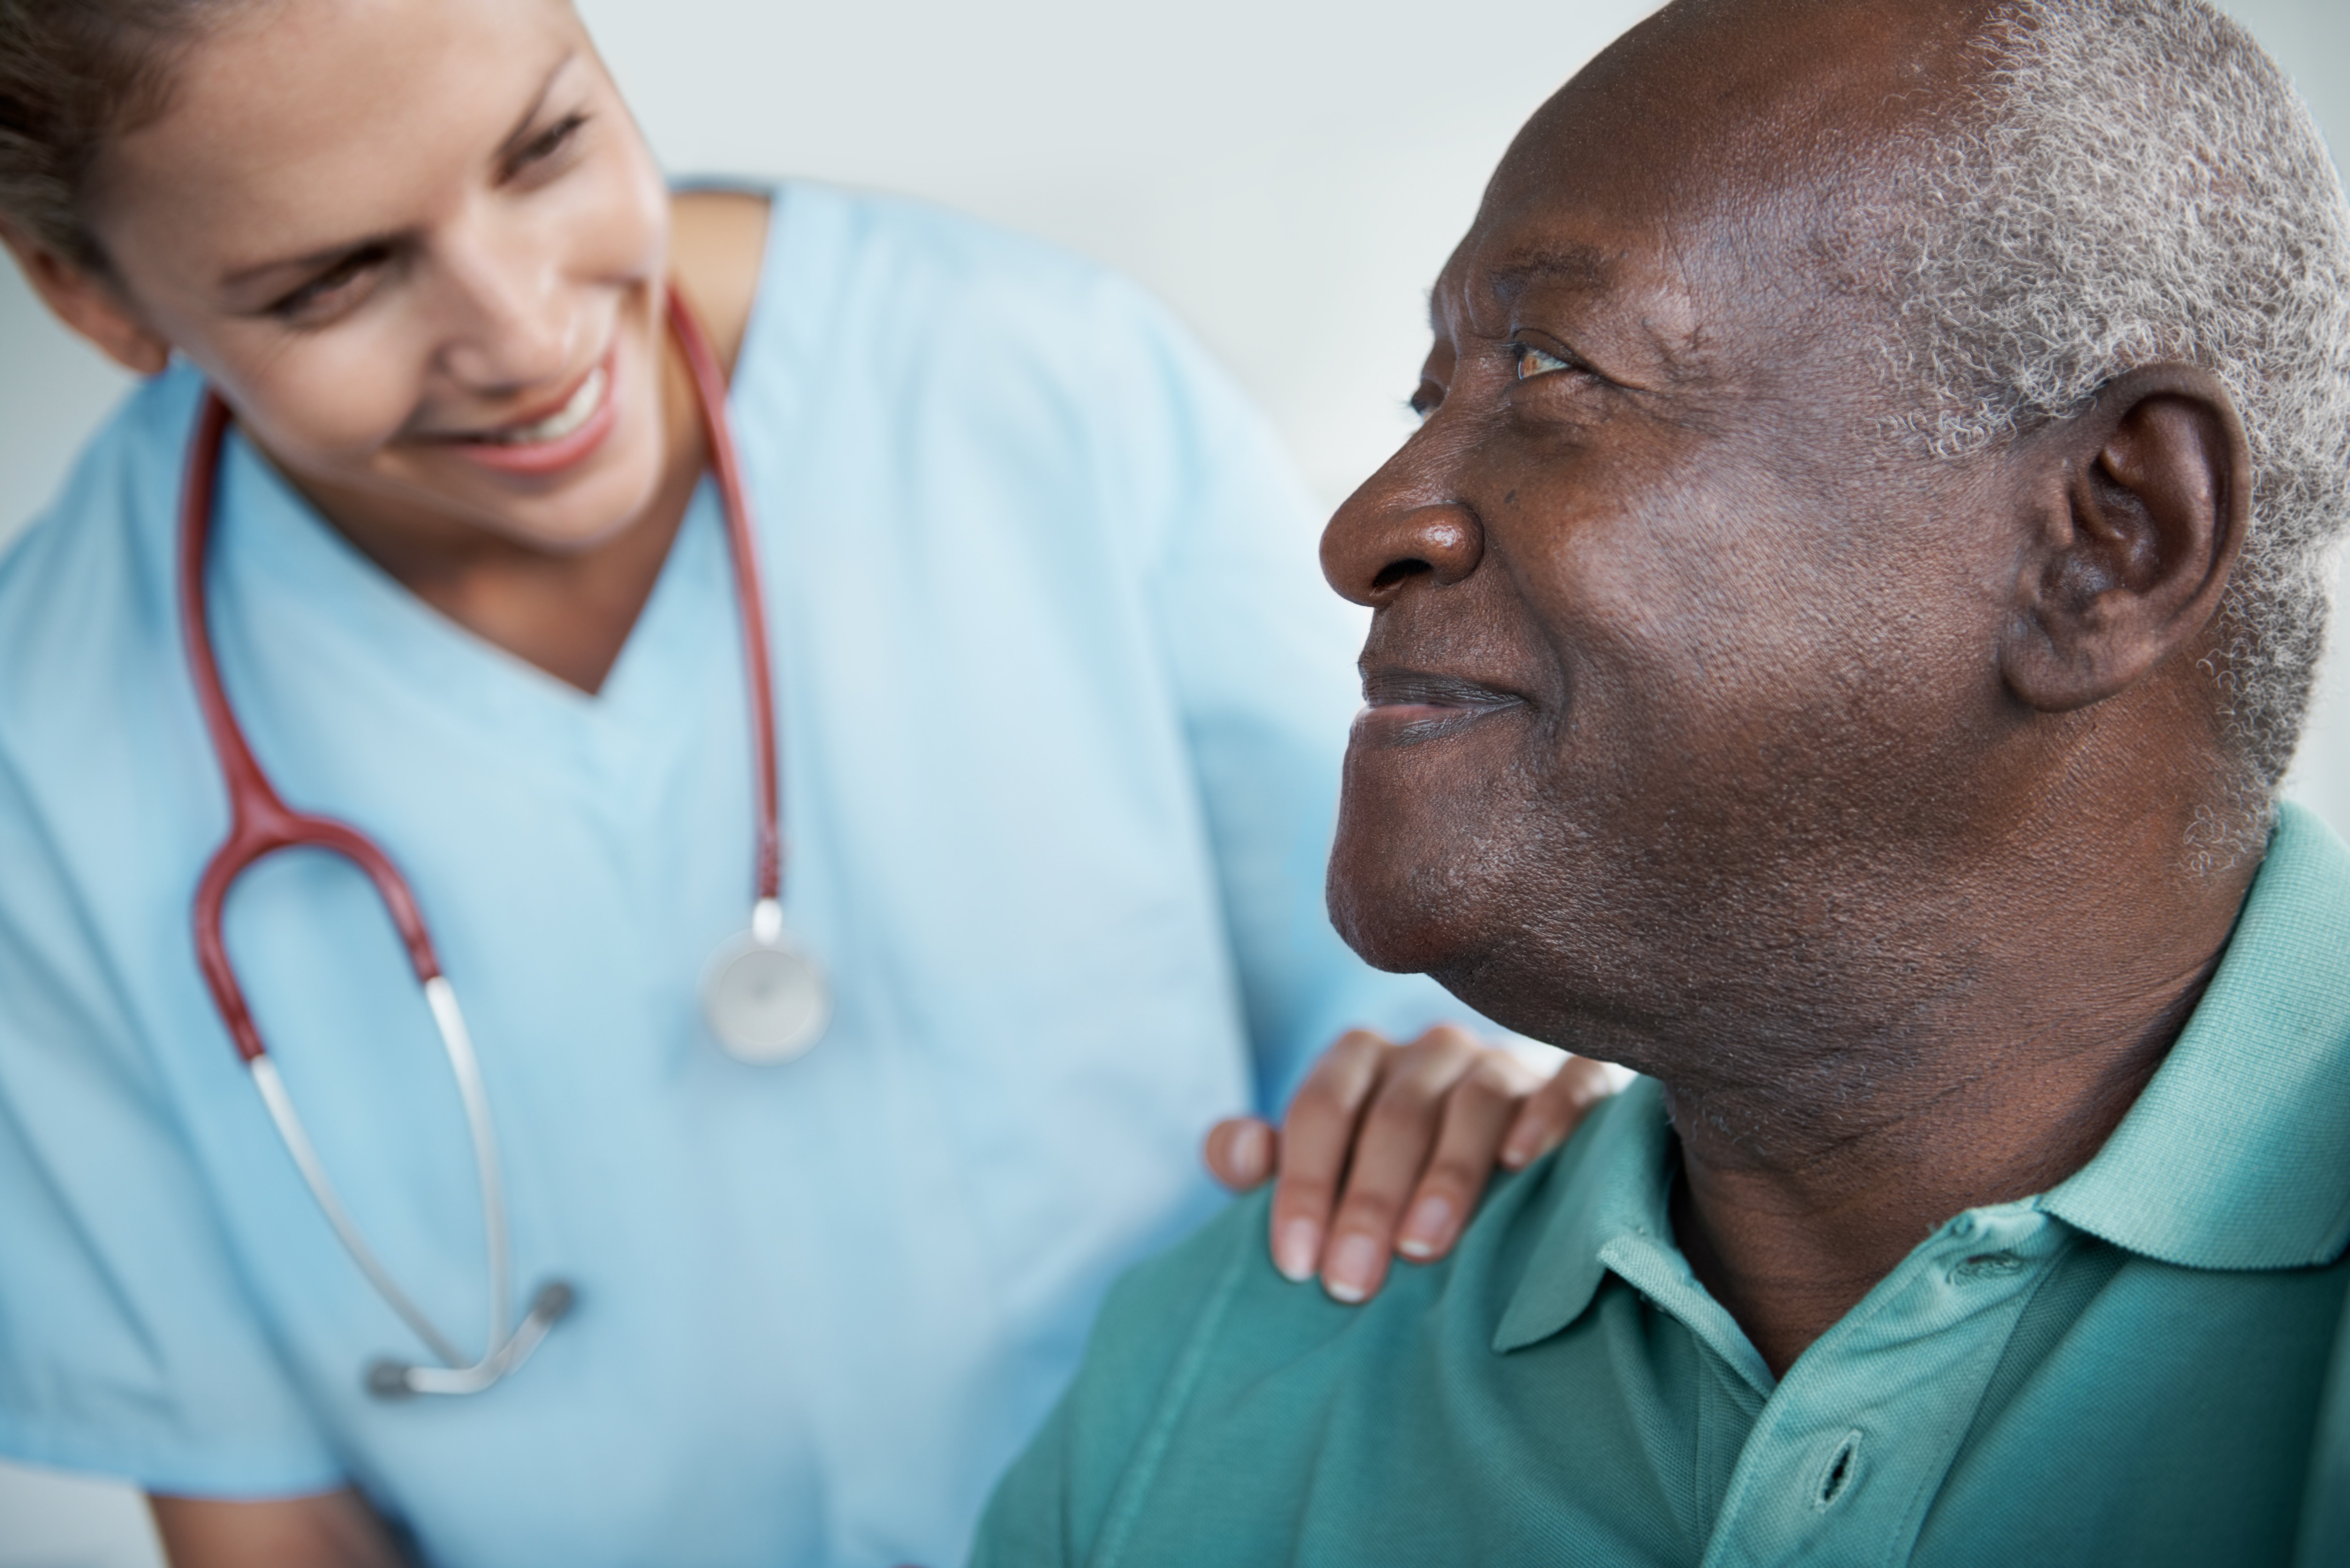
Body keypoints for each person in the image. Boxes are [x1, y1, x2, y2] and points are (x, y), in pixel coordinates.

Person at [0, 1, 1618, 1563]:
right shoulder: (44, 750)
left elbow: (1413, 1054)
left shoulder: (1037, 389)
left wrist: (1452, 1101)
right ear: (87, 293)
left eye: (548, 142)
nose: (525, 329)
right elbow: (262, 1513)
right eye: (335, 282)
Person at [971, 0, 2350, 1562]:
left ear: (2107, 537)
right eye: (1431, 397)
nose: (1368, 526)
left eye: (1555, 369)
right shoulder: (1243, 1362)